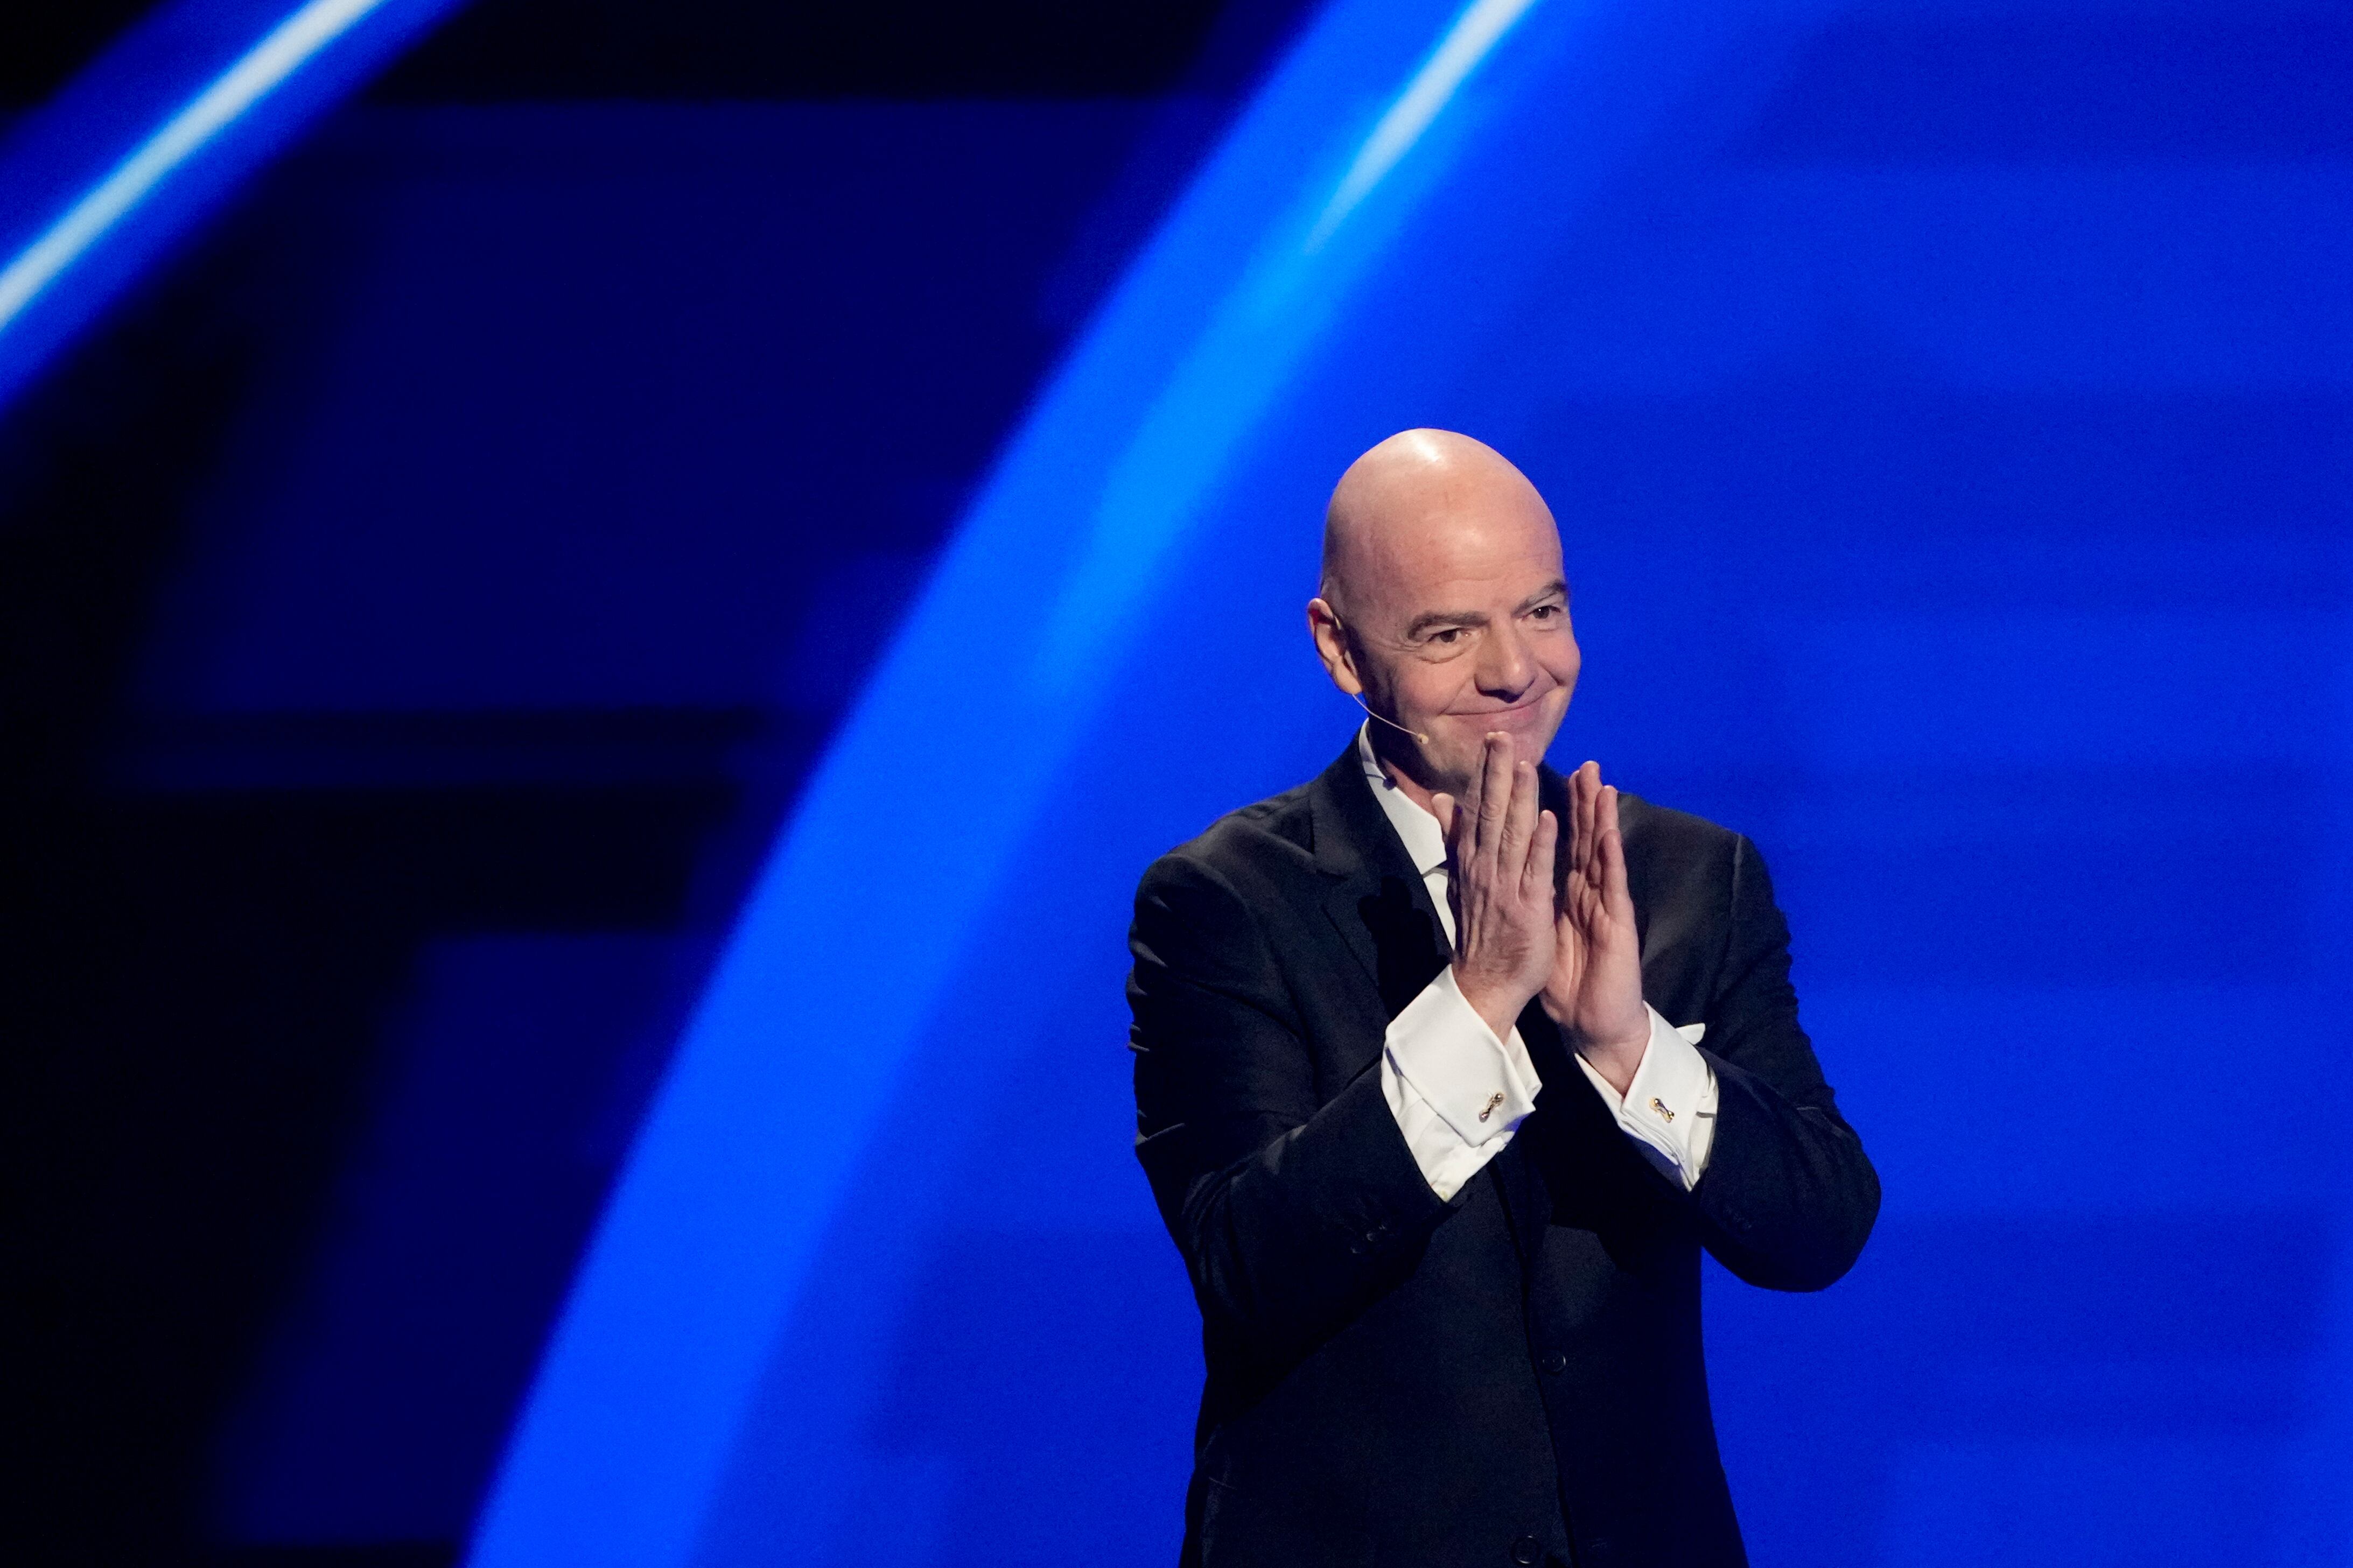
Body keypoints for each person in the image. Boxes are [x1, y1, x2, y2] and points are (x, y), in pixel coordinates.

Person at [1126, 430, 1879, 1568]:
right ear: (1340, 649)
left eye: (1540, 610)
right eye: (1447, 631)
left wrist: (1625, 1045)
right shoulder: (1227, 899)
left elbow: (1819, 1225)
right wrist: (1477, 1005)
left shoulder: (1685, 879)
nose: (1514, 670)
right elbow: (1247, 1264)